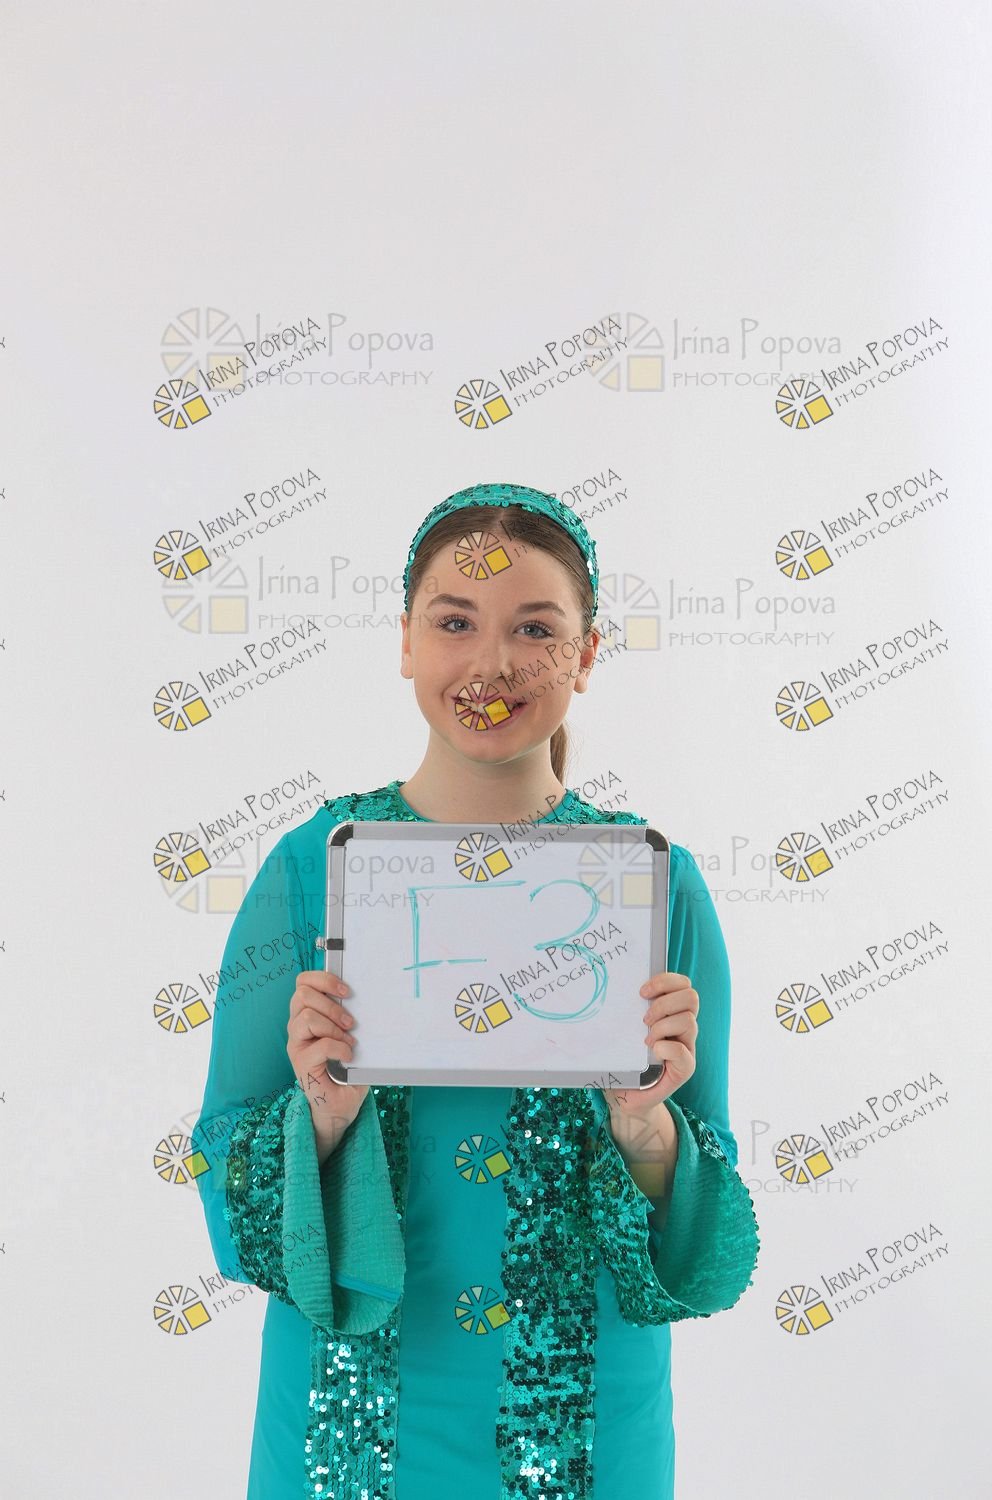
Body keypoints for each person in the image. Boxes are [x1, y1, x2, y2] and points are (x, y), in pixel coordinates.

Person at [192, 481, 761, 1500]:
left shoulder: (653, 886)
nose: (492, 665)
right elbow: (221, 1161)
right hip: (350, 1420)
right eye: (455, 622)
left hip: (586, 1418)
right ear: (406, 642)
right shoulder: (310, 867)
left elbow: (704, 1242)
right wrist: (319, 1117)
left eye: (534, 629)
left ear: (586, 655)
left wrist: (647, 1129)